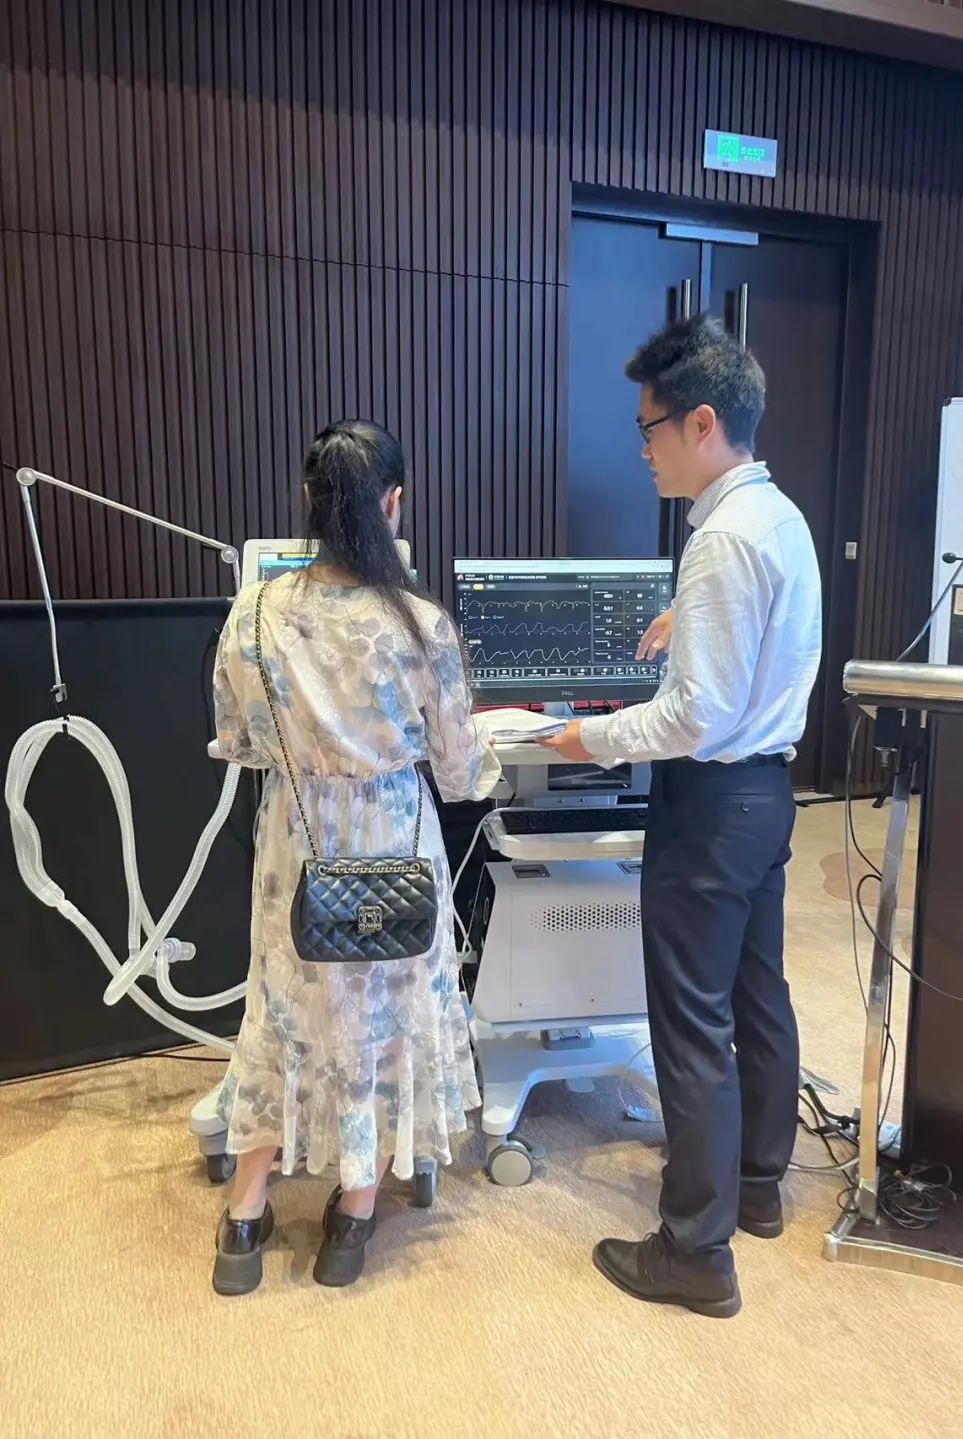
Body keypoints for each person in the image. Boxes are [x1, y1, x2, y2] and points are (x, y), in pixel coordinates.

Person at [540, 314, 821, 1318]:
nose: (644, 447)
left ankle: (695, 1250)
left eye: (649, 428)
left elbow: (693, 717)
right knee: (757, 992)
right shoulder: (778, 517)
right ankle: (756, 1184)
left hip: (710, 803)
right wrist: (686, 622)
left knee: (692, 1020)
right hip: (768, 795)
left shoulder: (720, 541)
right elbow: (758, 656)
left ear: (702, 423)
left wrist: (586, 738)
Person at [210, 420, 501, 1296]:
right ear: (393, 503)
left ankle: (245, 1214)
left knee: (282, 1014)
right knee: (381, 1019)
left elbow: (239, 739)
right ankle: (354, 1213)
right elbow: (461, 772)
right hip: (392, 847)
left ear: (310, 501)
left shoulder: (255, 612)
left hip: (296, 846)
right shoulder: (422, 625)